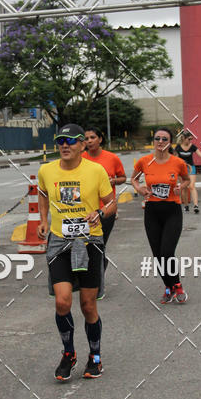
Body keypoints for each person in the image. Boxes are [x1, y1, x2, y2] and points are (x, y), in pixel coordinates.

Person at [37, 124, 115, 381]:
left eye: (71, 140)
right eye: (60, 140)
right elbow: (43, 193)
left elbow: (112, 203)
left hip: (89, 241)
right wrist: (44, 220)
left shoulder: (96, 170)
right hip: (60, 242)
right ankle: (69, 353)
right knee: (62, 302)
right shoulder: (46, 170)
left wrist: (100, 213)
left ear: (83, 144)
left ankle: (95, 357)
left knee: (88, 305)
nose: (64, 145)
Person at [131, 128, 190, 304]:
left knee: (167, 251)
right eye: (157, 138)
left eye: (165, 139)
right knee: (157, 255)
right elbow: (133, 178)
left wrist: (182, 187)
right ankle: (168, 286)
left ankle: (177, 285)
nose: (160, 141)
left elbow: (186, 179)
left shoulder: (178, 162)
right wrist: (139, 188)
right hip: (152, 211)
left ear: (170, 142)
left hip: (172, 210)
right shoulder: (144, 161)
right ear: (154, 141)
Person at [82, 127, 126, 298]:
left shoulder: (112, 158)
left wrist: (113, 180)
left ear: (100, 139)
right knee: (89, 247)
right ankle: (98, 269)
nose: (89, 141)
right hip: (85, 212)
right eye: (86, 138)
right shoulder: (80, 159)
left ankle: (98, 286)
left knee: (98, 246)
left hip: (106, 211)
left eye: (93, 137)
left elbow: (123, 178)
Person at [174, 129, 201, 213]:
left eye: (191, 139)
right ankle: (186, 205)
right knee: (184, 187)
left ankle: (196, 206)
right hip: (181, 169)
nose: (190, 141)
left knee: (191, 186)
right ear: (184, 138)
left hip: (191, 167)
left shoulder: (192, 147)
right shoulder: (178, 147)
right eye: (189, 139)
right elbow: (174, 160)